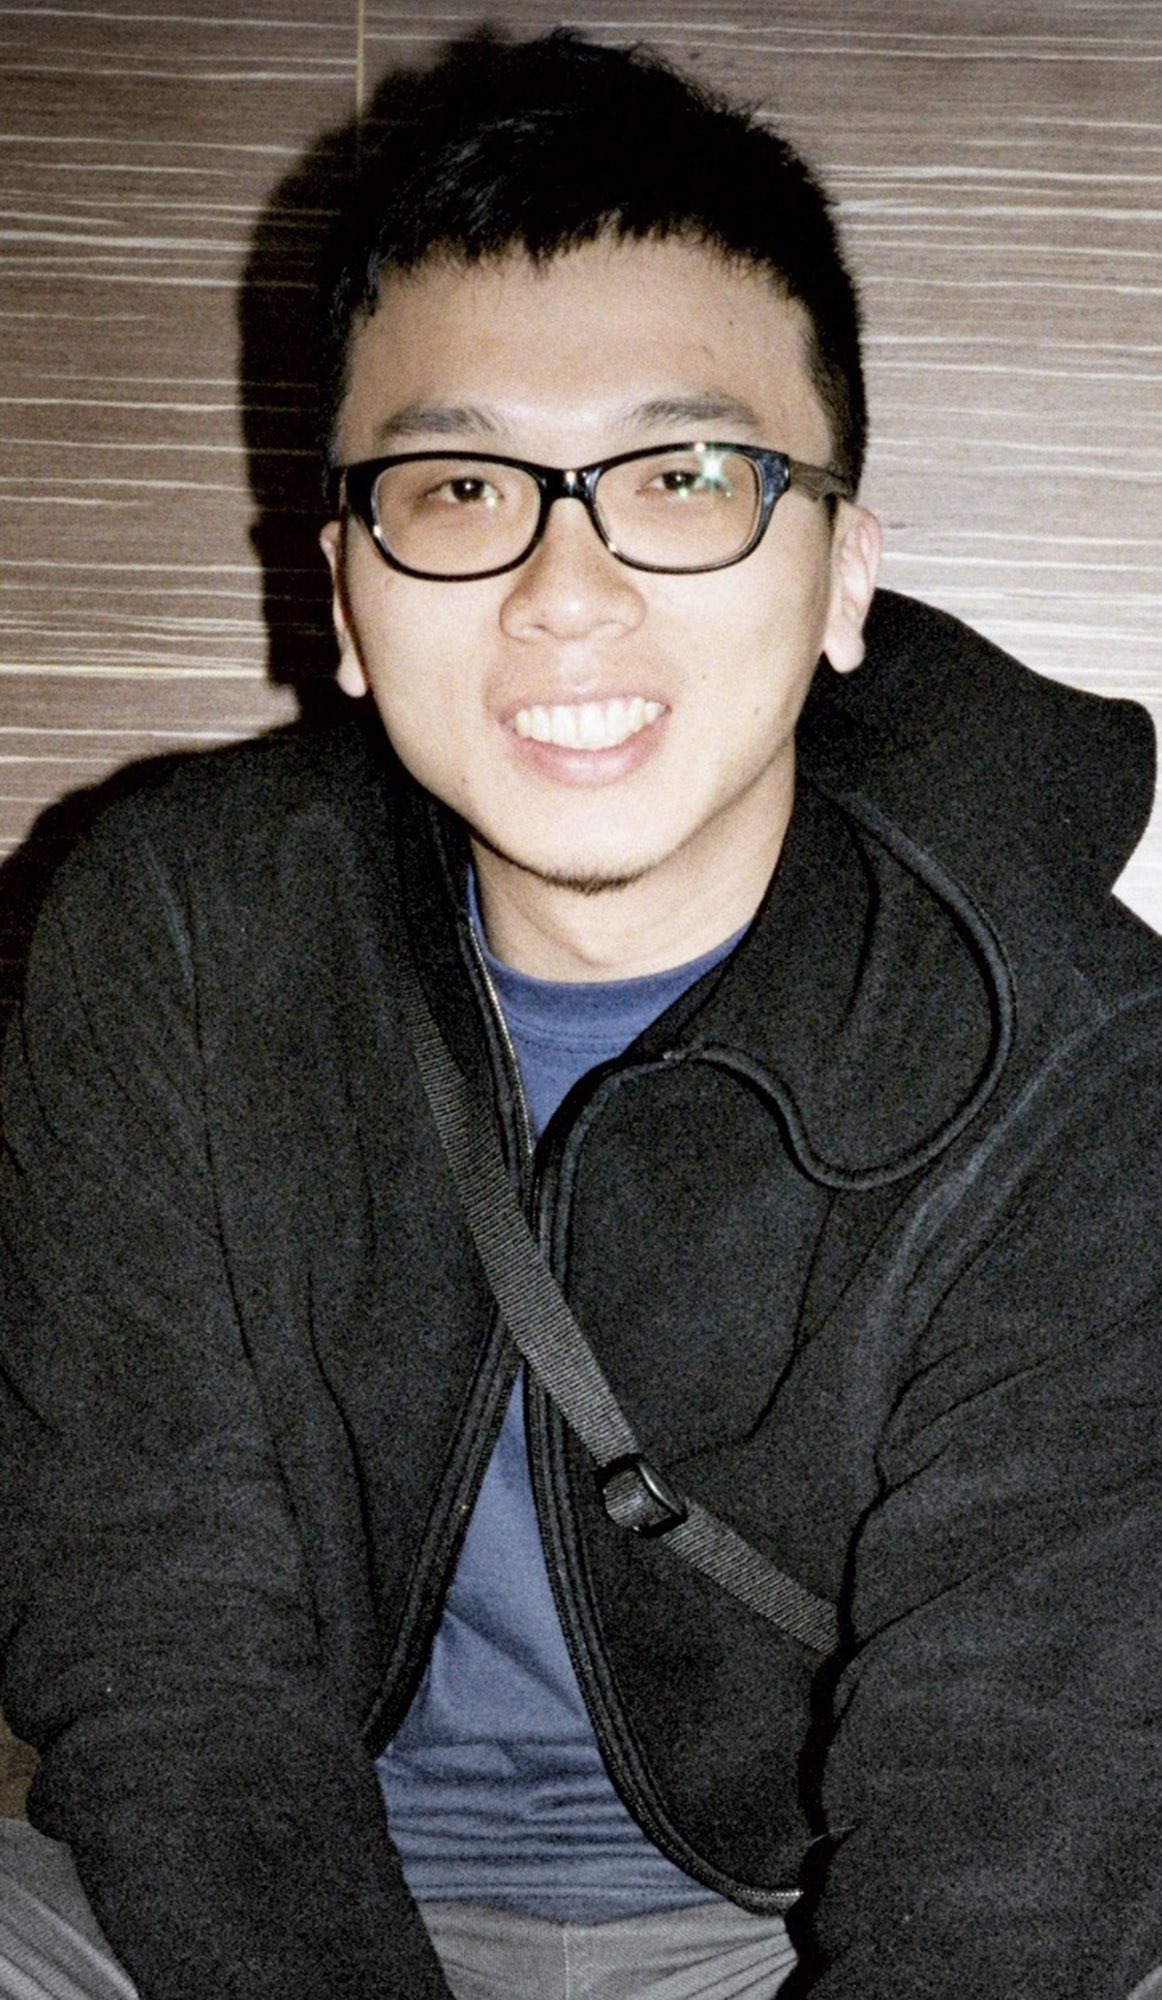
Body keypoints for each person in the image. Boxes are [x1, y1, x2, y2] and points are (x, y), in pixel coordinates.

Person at [1, 26, 1160, 2000]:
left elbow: (1022, 1780)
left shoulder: (1068, 1045)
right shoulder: (175, 935)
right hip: (249, 1909)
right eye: (459, 486)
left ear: (840, 573)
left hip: (800, 1920)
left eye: (682, 474)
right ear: (345, 595)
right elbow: (160, 1640)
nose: (563, 588)